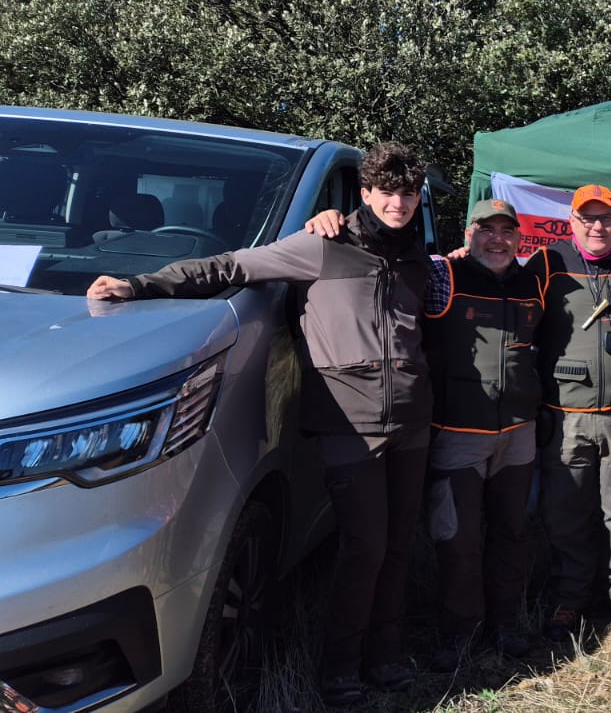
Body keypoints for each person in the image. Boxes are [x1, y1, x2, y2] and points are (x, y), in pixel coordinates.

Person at [88, 143, 434, 705]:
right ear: (365, 194)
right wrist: (140, 284)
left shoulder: (415, 255)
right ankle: (341, 666)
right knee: (364, 546)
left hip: (413, 420)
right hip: (350, 423)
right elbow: (231, 266)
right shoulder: (323, 246)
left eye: (408, 193)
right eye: (387, 192)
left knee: (397, 544)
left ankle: (385, 654)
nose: (398, 203)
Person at [421, 199, 547, 670]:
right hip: (458, 431)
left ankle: (506, 623)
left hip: (519, 430)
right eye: (486, 229)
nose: (497, 238)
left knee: (513, 534)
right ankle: (459, 631)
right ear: (469, 233)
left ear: (519, 237)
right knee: (458, 537)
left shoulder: (534, 281)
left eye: (506, 230)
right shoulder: (443, 276)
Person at [533, 184, 611, 644]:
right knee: (566, 509)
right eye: (588, 218)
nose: (597, 226)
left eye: (605, 217)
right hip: (566, 414)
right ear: (572, 221)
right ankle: (571, 595)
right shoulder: (549, 263)